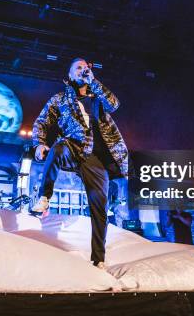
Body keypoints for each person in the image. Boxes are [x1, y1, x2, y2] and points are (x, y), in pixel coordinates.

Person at [31, 58, 128, 268]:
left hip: (95, 156)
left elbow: (114, 104)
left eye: (86, 68)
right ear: (70, 74)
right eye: (79, 68)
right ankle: (45, 197)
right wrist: (39, 143)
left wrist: (94, 81)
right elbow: (41, 121)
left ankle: (98, 259)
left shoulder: (97, 95)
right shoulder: (59, 99)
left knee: (100, 206)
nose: (83, 70)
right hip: (73, 146)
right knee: (56, 149)